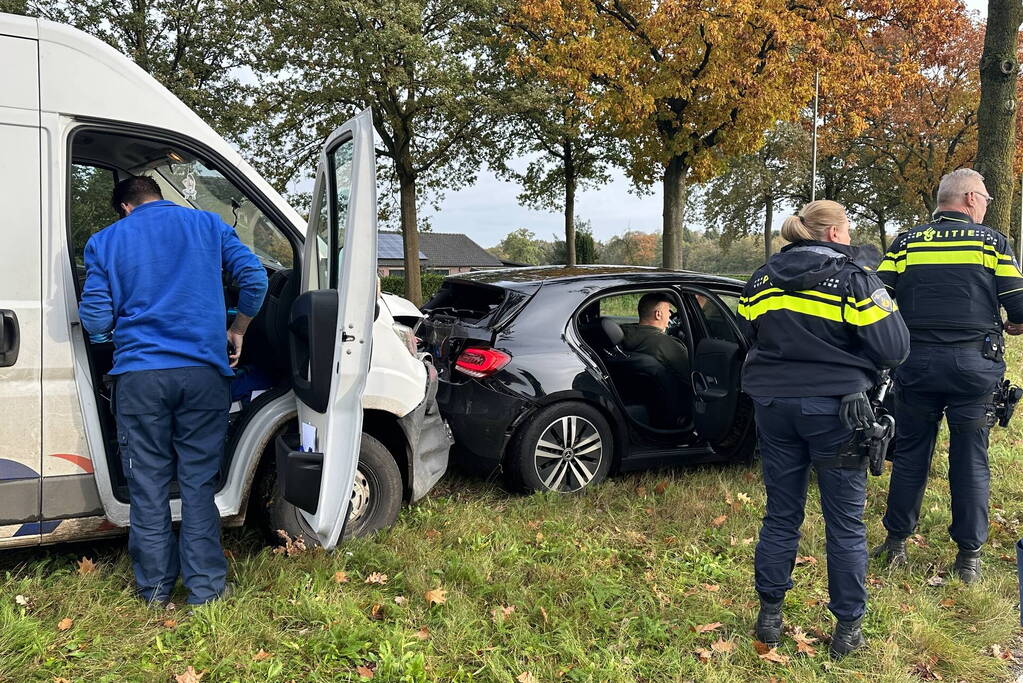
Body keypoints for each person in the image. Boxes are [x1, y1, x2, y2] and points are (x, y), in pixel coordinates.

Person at [79, 176, 268, 606]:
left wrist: (122, 336)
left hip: (140, 379)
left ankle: (154, 592)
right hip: (204, 375)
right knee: (198, 483)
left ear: (126, 207)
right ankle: (204, 589)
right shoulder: (209, 225)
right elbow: (254, 279)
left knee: (147, 484)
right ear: (158, 198)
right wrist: (237, 329)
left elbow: (93, 319)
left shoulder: (105, 240)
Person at [738, 199, 909, 657]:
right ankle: (848, 629)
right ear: (834, 234)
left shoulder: (761, 278)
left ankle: (769, 616)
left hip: (774, 406)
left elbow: (750, 334)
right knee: (845, 523)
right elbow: (894, 348)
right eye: (848, 228)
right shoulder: (855, 280)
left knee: (781, 512)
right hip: (838, 411)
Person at [872, 168, 1023, 582]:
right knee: (970, 460)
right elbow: (1020, 304)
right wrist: (1013, 324)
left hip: (915, 366)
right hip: (974, 370)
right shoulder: (991, 243)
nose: (987, 205)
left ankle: (896, 541)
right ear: (971, 199)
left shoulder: (907, 242)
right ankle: (968, 557)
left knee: (909, 456)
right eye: (987, 199)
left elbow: (878, 296)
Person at [620, 292, 689, 381]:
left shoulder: (621, 336)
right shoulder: (667, 345)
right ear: (658, 314)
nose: (670, 315)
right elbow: (692, 378)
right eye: (668, 311)